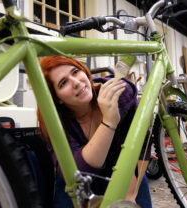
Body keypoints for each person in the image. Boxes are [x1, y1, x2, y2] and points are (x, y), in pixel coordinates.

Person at [37, 56, 152, 208]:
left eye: (75, 71)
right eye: (63, 83)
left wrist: (132, 191)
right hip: (79, 181)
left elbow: (143, 142)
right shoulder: (56, 123)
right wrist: (109, 121)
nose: (76, 83)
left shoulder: (120, 93)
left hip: (126, 170)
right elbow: (78, 173)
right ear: (57, 98)